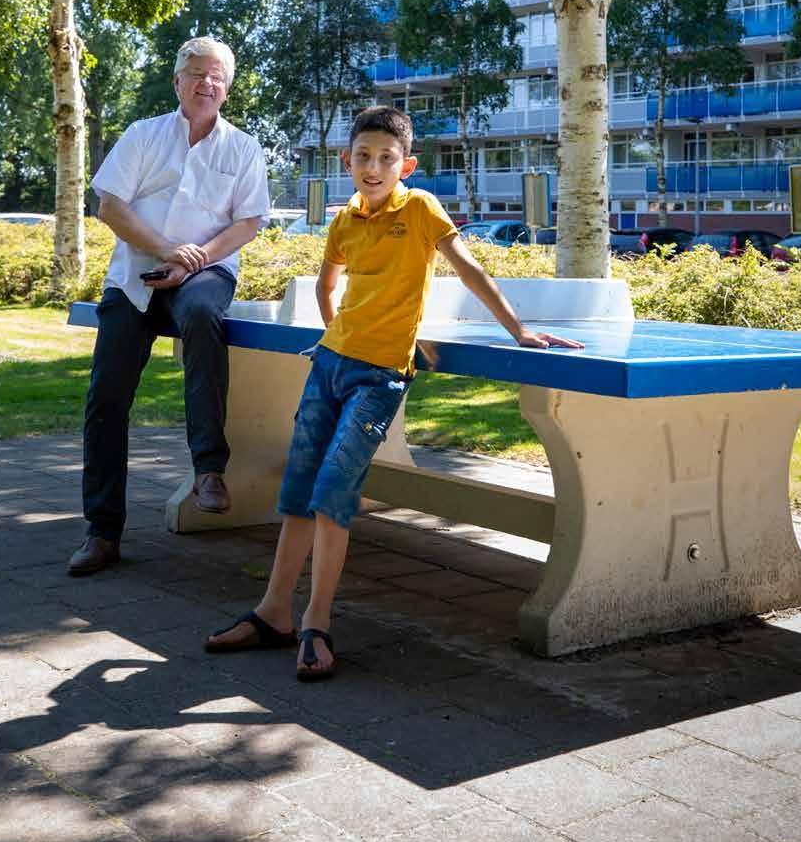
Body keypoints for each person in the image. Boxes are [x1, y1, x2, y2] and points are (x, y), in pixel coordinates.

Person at [205, 105, 583, 678]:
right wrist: (335, 335)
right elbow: (327, 287)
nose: (373, 167)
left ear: (406, 165)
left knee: (333, 492)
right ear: (346, 161)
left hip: (379, 376)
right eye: (363, 156)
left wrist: (520, 331)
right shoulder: (344, 221)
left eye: (386, 158)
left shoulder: (422, 208)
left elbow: (469, 270)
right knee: (298, 488)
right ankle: (273, 612)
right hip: (329, 366)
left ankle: (316, 623)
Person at [67, 37, 270, 577]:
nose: (207, 83)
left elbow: (248, 223)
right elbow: (110, 206)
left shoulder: (243, 147)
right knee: (106, 397)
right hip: (137, 274)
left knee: (203, 316)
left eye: (217, 76)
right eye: (197, 73)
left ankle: (209, 470)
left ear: (227, 87)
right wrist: (165, 251)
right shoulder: (143, 135)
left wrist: (195, 258)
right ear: (177, 81)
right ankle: (102, 531)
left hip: (205, 273)